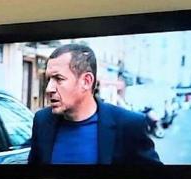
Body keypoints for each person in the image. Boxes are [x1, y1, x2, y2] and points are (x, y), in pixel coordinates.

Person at [27, 43, 162, 166]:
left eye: (58, 79)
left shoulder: (129, 125)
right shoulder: (42, 120)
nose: (49, 88)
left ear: (86, 81)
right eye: (49, 79)